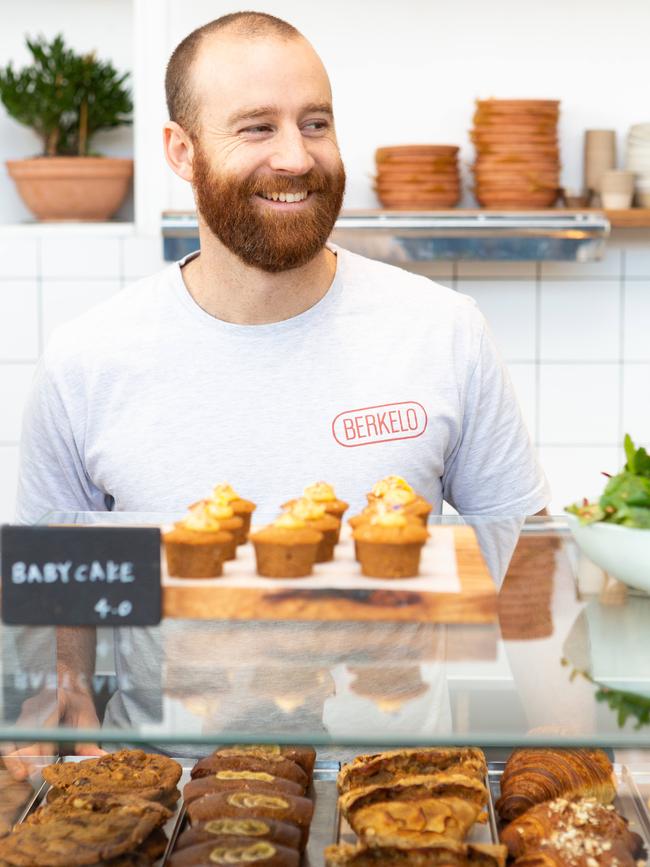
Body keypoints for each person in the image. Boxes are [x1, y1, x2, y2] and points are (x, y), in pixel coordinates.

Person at [9, 11, 550, 767]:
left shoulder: (441, 329)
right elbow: (57, 573)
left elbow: (530, 552)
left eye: (316, 122)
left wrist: (569, 739)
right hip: (173, 801)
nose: (297, 157)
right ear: (181, 151)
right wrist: (58, 695)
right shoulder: (89, 360)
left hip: (393, 792)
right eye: (257, 128)